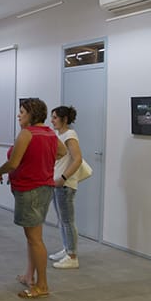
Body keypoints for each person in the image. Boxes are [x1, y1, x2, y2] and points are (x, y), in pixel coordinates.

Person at [0, 98, 66, 299]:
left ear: (31, 115)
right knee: (33, 237)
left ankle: (42, 285)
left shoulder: (27, 134)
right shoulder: (49, 133)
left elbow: (13, 163)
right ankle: (29, 275)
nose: (19, 115)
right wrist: (41, 160)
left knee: (35, 239)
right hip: (43, 188)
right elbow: (62, 151)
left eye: (22, 112)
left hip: (30, 190)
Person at [50, 105, 83, 269]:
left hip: (65, 185)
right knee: (62, 220)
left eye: (55, 117)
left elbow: (77, 159)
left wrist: (63, 178)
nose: (52, 121)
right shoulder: (59, 135)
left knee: (67, 220)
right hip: (57, 183)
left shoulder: (70, 135)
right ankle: (67, 248)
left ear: (64, 119)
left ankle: (72, 256)